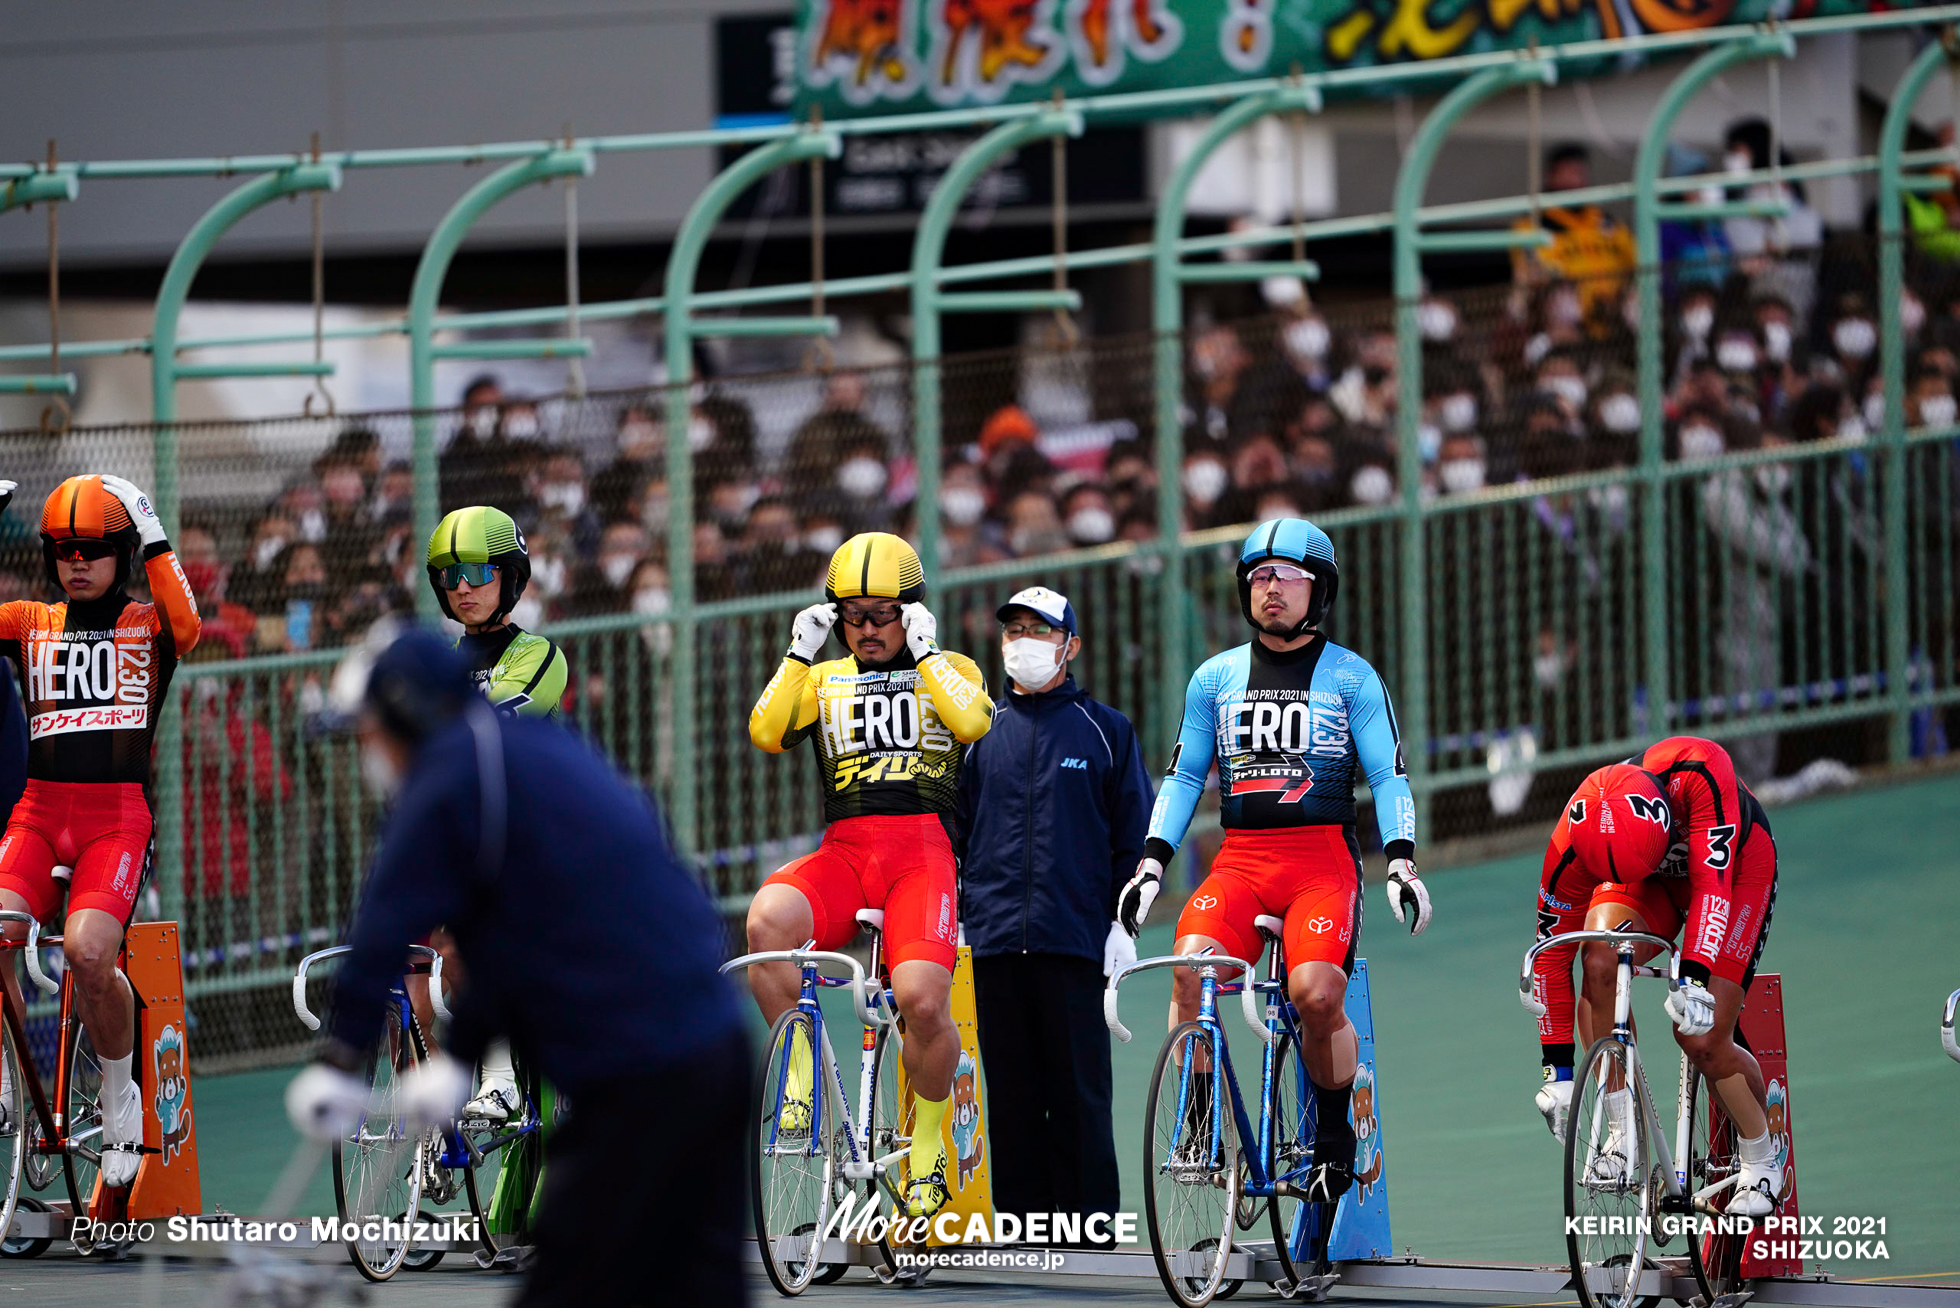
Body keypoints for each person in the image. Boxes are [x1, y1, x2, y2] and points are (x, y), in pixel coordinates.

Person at [286, 626, 746, 1307]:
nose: (367, 751)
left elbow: (384, 922)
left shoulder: (449, 771)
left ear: (406, 712)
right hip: (716, 1053)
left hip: (638, 1081)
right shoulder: (541, 751)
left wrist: (340, 1060)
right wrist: (460, 1054)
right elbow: (526, 938)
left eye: (369, 732)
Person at [1119, 518, 1428, 1203]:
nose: (1272, 589)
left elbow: (1389, 778)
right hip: (1240, 862)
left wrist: (1402, 861)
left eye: (1288, 576)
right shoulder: (1214, 678)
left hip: (1321, 865)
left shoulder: (1353, 678)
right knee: (1189, 971)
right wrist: (1150, 863)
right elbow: (1181, 779)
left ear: (1320, 592)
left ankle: (1334, 1134)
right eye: (1260, 576)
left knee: (1316, 997)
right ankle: (1196, 1119)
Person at [745, 532, 992, 1218]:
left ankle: (928, 1147)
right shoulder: (822, 678)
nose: (865, 629)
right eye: (850, 616)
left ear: (911, 611)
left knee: (920, 1000)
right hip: (846, 853)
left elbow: (972, 722)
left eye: (882, 613)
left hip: (922, 856)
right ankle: (802, 1076)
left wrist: (929, 650)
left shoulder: (954, 666)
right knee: (766, 927)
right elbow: (766, 733)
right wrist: (800, 650)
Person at [0, 475, 201, 1184]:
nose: (76, 561)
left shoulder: (147, 626)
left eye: (91, 549)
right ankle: (10, 1079)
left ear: (119, 550)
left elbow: (191, 629)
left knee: (88, 955)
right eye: (61, 549)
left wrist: (150, 525)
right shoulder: (30, 621)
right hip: (37, 811)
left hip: (113, 819)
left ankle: (121, 1098)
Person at [953, 586, 1152, 1239]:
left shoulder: (1105, 730)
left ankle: (1089, 1230)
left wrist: (1125, 924)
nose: (1023, 642)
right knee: (1008, 1098)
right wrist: (958, 917)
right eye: (1013, 629)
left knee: (1079, 1097)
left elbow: (1135, 840)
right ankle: (1021, 1228)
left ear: (1071, 645)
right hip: (993, 942)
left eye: (1040, 630)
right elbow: (953, 834)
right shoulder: (978, 732)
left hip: (1076, 941)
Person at [1525, 738, 1783, 1216]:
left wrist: (1696, 976)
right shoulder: (1573, 841)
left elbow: (1712, 887)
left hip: (1735, 871)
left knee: (1702, 1037)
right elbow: (1549, 959)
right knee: (1598, 961)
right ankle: (1624, 1136)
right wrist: (1556, 1070)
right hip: (1644, 881)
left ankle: (1762, 1158)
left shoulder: (1702, 772)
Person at [423, 504, 571, 1123]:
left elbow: (494, 719)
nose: (464, 586)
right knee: (418, 958)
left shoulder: (537, 652)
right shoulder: (436, 662)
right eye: (451, 575)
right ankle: (434, 1108)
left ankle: (504, 1077)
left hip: (534, 837)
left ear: (510, 578)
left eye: (480, 571)